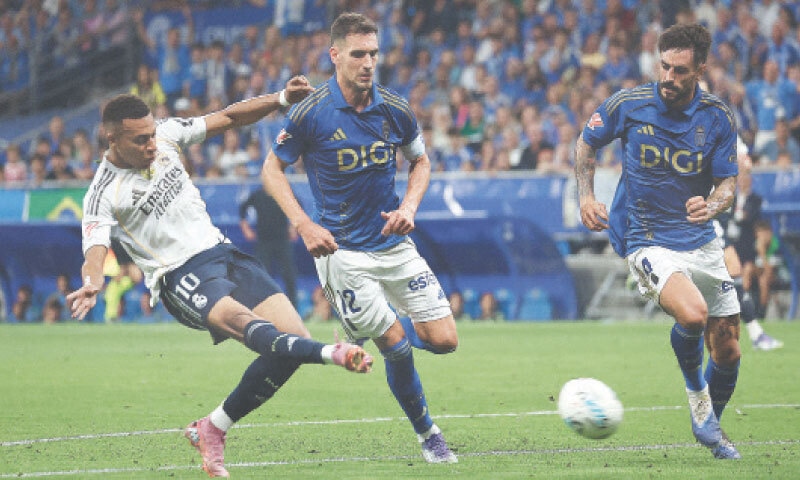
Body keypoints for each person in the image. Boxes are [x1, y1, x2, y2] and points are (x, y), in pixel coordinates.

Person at [65, 78, 373, 478]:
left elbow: (227, 117)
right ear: (112, 138)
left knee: (289, 340)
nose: (151, 145)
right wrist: (94, 280)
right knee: (254, 329)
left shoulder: (167, 135)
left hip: (223, 252)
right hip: (180, 276)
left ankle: (213, 428)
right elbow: (95, 246)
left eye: (151, 134)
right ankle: (332, 354)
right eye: (140, 140)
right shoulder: (103, 192)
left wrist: (280, 98)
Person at [262, 12, 459, 464]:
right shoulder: (311, 112)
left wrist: (409, 207)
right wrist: (304, 224)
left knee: (446, 340)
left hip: (391, 242)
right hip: (341, 250)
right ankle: (429, 435)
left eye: (373, 53)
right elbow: (272, 169)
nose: (368, 62)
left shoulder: (394, 108)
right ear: (335, 56)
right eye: (358, 54)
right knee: (397, 345)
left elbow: (421, 162)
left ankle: (357, 326)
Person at [574, 24, 742, 460]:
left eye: (680, 70)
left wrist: (714, 204)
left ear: (700, 69)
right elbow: (586, 143)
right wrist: (586, 195)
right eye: (663, 66)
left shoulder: (717, 117)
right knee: (694, 314)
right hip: (645, 236)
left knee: (728, 347)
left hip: (701, 239)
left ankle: (710, 425)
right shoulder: (629, 104)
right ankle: (698, 400)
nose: (668, 77)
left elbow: (728, 183)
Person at [721, 137, 783, 350]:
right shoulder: (716, 174)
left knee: (735, 275)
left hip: (738, 243)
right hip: (708, 228)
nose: (748, 162)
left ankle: (755, 333)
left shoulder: (735, 188)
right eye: (744, 156)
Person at [239, 186, 298, 307]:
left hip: (282, 240)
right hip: (263, 241)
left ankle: (294, 308)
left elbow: (298, 207)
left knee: (289, 275)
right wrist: (245, 227)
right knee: (262, 275)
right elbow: (242, 209)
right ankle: (263, 307)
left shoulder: (283, 193)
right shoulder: (257, 195)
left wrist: (293, 226)